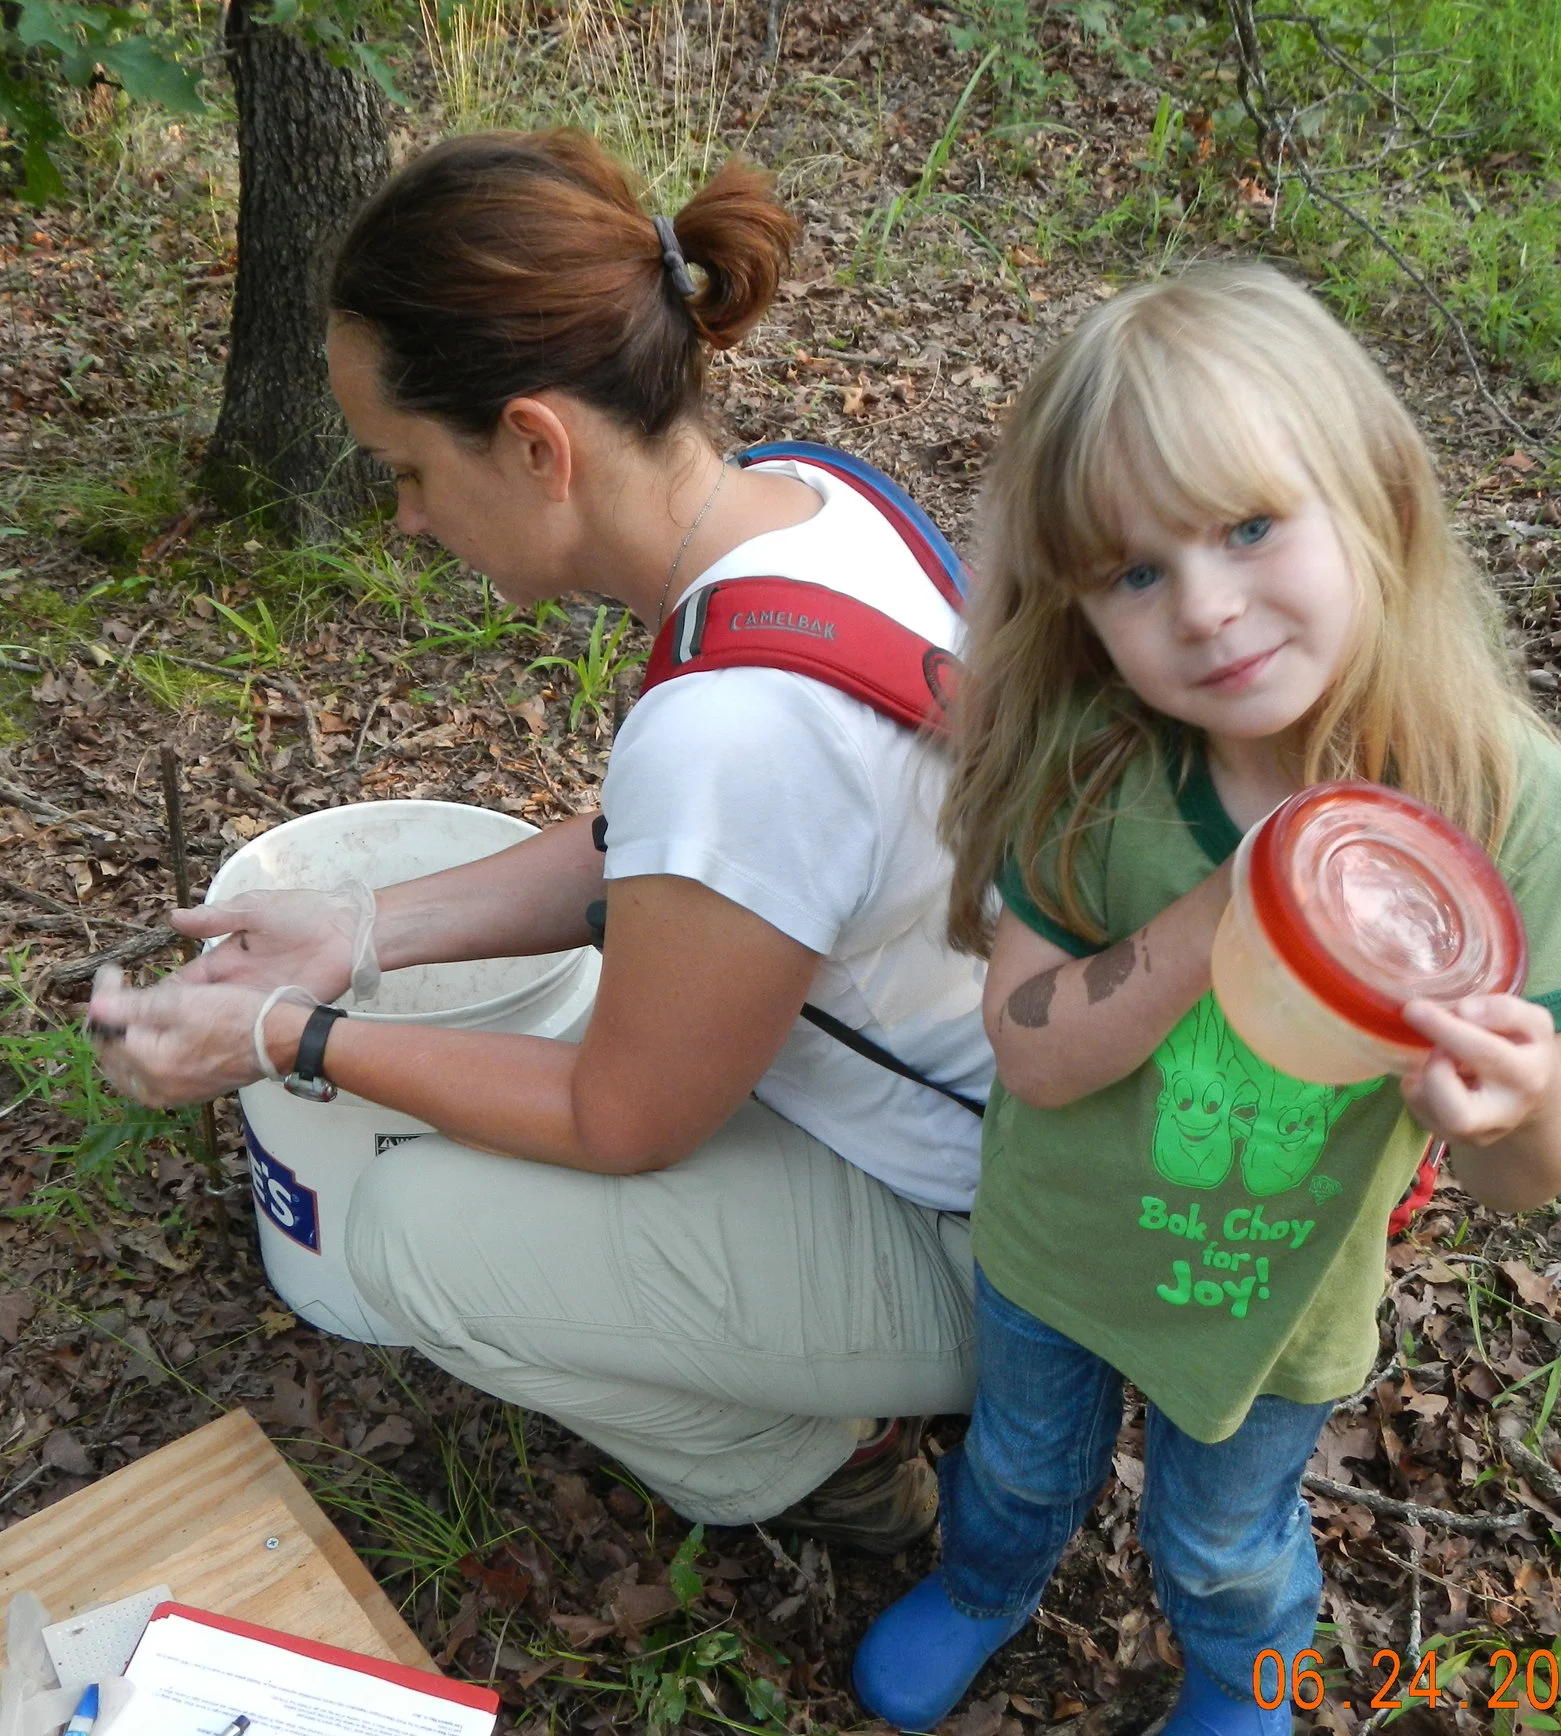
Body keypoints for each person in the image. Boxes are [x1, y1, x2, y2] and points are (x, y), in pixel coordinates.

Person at [85, 131, 991, 1553]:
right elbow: (666, 853)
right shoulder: (813, 503)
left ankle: (838, 1461)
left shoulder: (733, 727)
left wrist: (288, 1038)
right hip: (1010, 1141)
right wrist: (356, 934)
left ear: (534, 444)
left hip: (992, 1254)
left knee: (409, 1230)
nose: (406, 518)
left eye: (408, 469)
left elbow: (621, 1121)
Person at [848, 265, 1561, 1736]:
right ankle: (988, 1581)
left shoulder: (1499, 806)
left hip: (1269, 1304)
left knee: (1221, 1538)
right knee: (1016, 1461)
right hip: (1060, 1249)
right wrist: (1220, 911)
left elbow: (1527, 1171)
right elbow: (1032, 1052)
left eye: (1253, 526)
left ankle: (1240, 1693)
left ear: (1378, 500)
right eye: (1137, 570)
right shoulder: (1094, 766)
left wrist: (1511, 1104)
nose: (1204, 607)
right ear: (1080, 606)